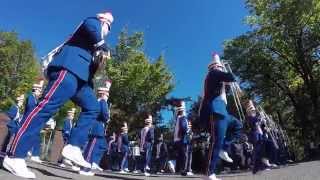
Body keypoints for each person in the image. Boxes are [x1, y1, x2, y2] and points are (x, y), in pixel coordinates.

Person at [2, 12, 114, 179]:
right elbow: (90, 26)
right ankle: (15, 156)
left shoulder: (94, 45)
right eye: (108, 24)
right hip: (67, 70)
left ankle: (73, 146)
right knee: (45, 109)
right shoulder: (92, 23)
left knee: (93, 107)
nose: (108, 28)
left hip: (81, 81)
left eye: (110, 27)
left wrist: (98, 62)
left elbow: (92, 68)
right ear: (102, 20)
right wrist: (101, 43)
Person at [199, 53, 241, 180]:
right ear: (216, 66)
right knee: (215, 141)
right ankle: (209, 172)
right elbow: (231, 77)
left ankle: (224, 147)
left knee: (238, 125)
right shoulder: (214, 73)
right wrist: (225, 68)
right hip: (216, 110)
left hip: (223, 111)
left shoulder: (215, 78)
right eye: (220, 67)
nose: (221, 69)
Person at [79, 80, 112, 176]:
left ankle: (86, 166)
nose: (107, 96)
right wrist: (107, 118)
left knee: (89, 148)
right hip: (97, 128)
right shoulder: (102, 102)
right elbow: (105, 114)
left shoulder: (95, 101)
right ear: (103, 94)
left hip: (93, 127)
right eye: (107, 94)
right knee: (91, 149)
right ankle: (85, 168)